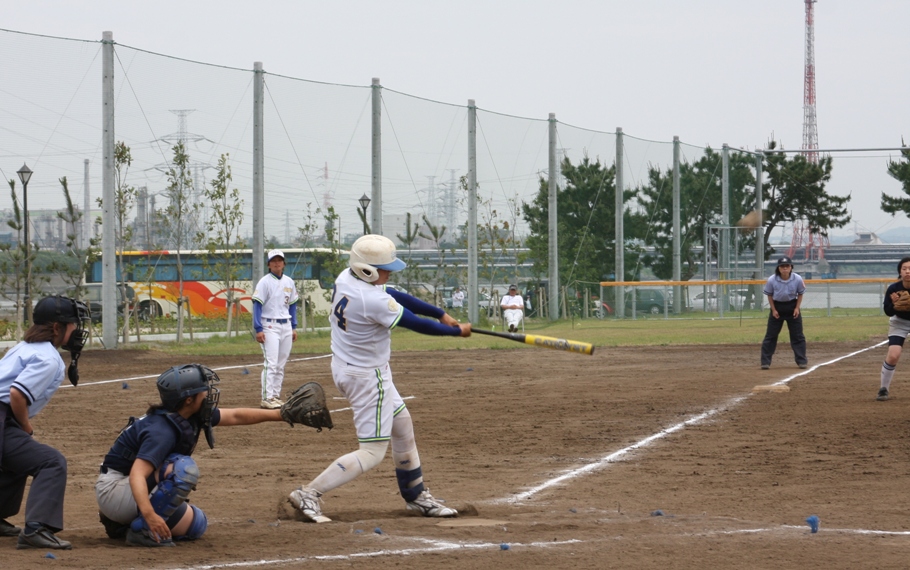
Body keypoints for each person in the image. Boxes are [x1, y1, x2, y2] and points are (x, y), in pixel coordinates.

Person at [288, 234, 470, 523]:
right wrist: (455, 331)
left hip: (352, 367)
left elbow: (395, 294)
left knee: (402, 425)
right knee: (372, 452)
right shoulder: (371, 299)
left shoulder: (347, 277)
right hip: (367, 377)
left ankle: (416, 496)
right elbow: (415, 323)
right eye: (385, 268)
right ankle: (309, 493)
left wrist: (441, 313)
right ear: (367, 270)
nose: (389, 273)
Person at [95, 364, 289, 547]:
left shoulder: (185, 414)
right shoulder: (161, 431)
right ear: (189, 399)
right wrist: (150, 514)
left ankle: (122, 525)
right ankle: (141, 530)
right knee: (182, 469)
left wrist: (282, 415)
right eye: (203, 390)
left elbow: (236, 415)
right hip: (114, 490)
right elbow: (137, 474)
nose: (208, 394)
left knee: (196, 524)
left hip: (129, 489)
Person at [0, 295, 90, 550]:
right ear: (56, 327)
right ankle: (36, 529)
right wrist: (26, 427)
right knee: (51, 462)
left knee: (19, 459)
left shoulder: (24, 346)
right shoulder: (49, 358)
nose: (78, 330)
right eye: (74, 324)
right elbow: (17, 394)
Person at [253, 249, 299, 409]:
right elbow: (257, 305)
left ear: (284, 264)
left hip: (286, 324)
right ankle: (266, 397)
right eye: (273, 261)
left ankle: (275, 396)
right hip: (269, 324)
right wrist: (258, 328)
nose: (277, 263)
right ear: (269, 264)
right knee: (271, 363)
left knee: (280, 364)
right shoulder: (264, 282)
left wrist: (293, 326)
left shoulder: (289, 282)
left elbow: (292, 305)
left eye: (279, 260)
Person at [760, 256, 808, 370]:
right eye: (782, 266)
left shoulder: (797, 279)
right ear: (778, 268)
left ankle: (801, 361)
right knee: (771, 336)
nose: (785, 268)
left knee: (798, 336)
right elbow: (769, 295)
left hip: (792, 306)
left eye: (787, 266)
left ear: (791, 267)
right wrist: (774, 310)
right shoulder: (772, 279)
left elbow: (800, 293)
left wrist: (797, 308)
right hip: (777, 307)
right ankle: (765, 362)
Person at [876, 256, 910, 401]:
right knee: (893, 355)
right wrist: (894, 304)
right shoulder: (893, 289)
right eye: (904, 269)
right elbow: (888, 312)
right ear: (900, 272)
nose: (908, 271)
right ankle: (883, 389)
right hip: (899, 322)